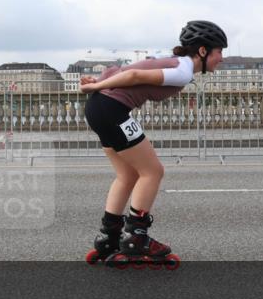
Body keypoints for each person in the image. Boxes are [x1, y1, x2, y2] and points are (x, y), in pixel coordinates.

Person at [80, 20, 227, 267]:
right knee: (153, 171)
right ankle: (135, 238)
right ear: (202, 51)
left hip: (98, 107)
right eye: (219, 51)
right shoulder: (183, 70)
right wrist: (96, 84)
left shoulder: (172, 61)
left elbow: (125, 71)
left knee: (127, 175)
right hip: (112, 109)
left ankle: (109, 236)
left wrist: (98, 83)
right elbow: (135, 75)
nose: (221, 58)